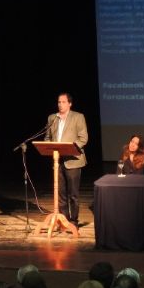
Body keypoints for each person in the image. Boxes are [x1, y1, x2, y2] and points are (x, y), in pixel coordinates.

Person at [44, 92, 88, 226]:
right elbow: (47, 138)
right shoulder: (52, 118)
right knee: (60, 194)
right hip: (58, 161)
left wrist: (70, 148)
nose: (60, 105)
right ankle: (64, 220)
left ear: (70, 104)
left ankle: (73, 221)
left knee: (73, 194)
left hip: (73, 160)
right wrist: (50, 148)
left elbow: (83, 138)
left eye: (63, 102)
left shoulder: (78, 117)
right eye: (59, 102)